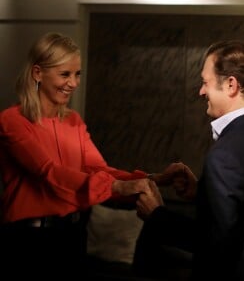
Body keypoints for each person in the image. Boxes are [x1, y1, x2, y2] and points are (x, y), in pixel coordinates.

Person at [0, 32, 184, 279]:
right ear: (37, 73)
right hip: (29, 240)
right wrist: (118, 186)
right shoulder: (12, 120)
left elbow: (99, 168)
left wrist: (153, 178)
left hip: (73, 235)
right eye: (65, 74)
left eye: (77, 74)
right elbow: (49, 173)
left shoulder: (73, 120)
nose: (74, 83)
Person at [135, 40, 244, 281]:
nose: (201, 91)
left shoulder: (226, 154)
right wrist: (203, 193)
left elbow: (215, 243)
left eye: (205, 82)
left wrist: (157, 215)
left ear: (230, 85)